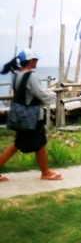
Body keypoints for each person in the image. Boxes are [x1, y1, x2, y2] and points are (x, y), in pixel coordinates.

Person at [0, 48, 62, 181]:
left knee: (17, 145)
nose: (37, 61)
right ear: (30, 61)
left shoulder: (17, 75)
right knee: (39, 144)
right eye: (35, 59)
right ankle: (45, 173)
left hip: (21, 116)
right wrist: (52, 96)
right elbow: (40, 94)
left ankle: (45, 172)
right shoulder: (30, 76)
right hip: (32, 117)